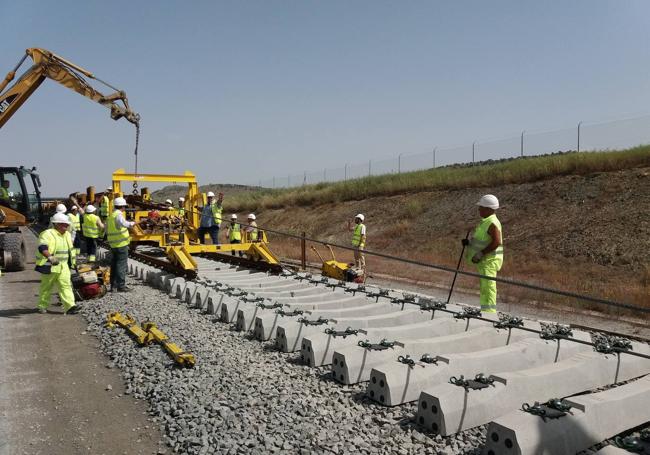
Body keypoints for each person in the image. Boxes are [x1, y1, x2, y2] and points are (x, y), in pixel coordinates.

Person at [463, 194, 504, 314]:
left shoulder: (492, 223)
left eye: (481, 207)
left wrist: (481, 254)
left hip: (489, 262)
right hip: (484, 262)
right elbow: (482, 241)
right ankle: (485, 311)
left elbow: (496, 242)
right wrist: (469, 244)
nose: (479, 209)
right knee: (484, 288)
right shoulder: (485, 222)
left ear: (488, 209)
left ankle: (490, 313)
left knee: (489, 288)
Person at [35, 212, 79, 315]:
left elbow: (69, 250)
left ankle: (70, 306)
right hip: (50, 266)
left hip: (63, 266)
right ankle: (42, 306)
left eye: (67, 224)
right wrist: (50, 257)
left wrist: (72, 263)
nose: (67, 226)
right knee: (46, 288)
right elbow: (42, 247)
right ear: (57, 224)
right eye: (64, 224)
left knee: (66, 286)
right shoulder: (47, 234)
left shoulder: (67, 234)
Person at [106, 196, 139, 292]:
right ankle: (121, 286)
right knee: (121, 265)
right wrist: (134, 223)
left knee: (114, 265)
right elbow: (125, 224)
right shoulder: (119, 215)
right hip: (121, 244)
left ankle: (113, 286)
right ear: (122, 206)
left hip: (113, 245)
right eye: (124, 206)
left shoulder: (111, 216)